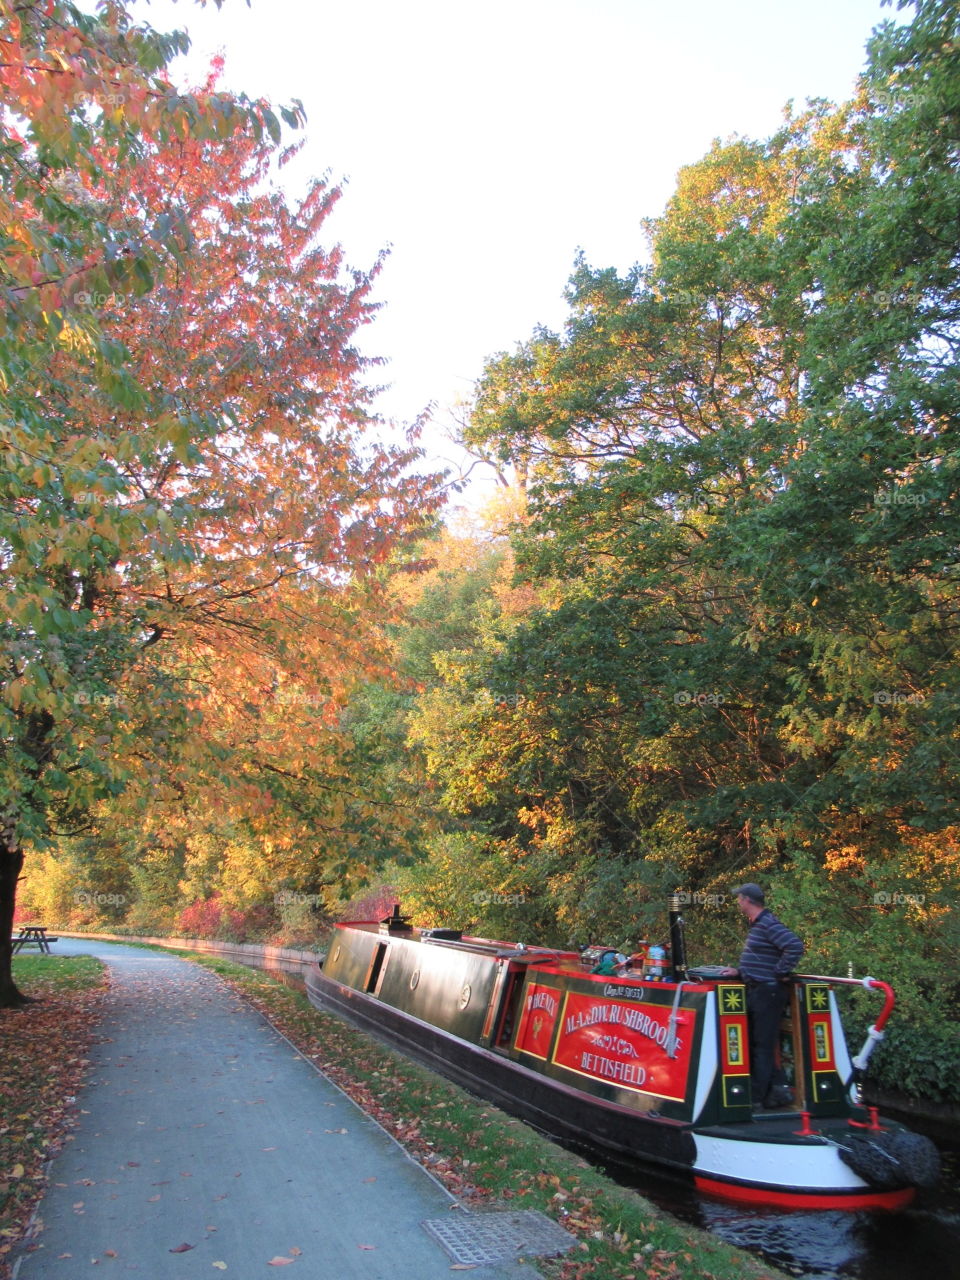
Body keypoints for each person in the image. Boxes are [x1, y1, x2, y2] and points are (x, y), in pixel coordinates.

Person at [720, 883, 804, 1109]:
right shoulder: (758, 925)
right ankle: (777, 1090)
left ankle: (755, 1098)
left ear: (747, 900)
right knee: (757, 1042)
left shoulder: (767, 923)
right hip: (759, 988)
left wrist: (779, 972)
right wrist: (740, 972)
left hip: (768, 990)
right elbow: (762, 957)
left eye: (739, 899)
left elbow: (794, 946)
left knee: (762, 1045)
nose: (738, 902)